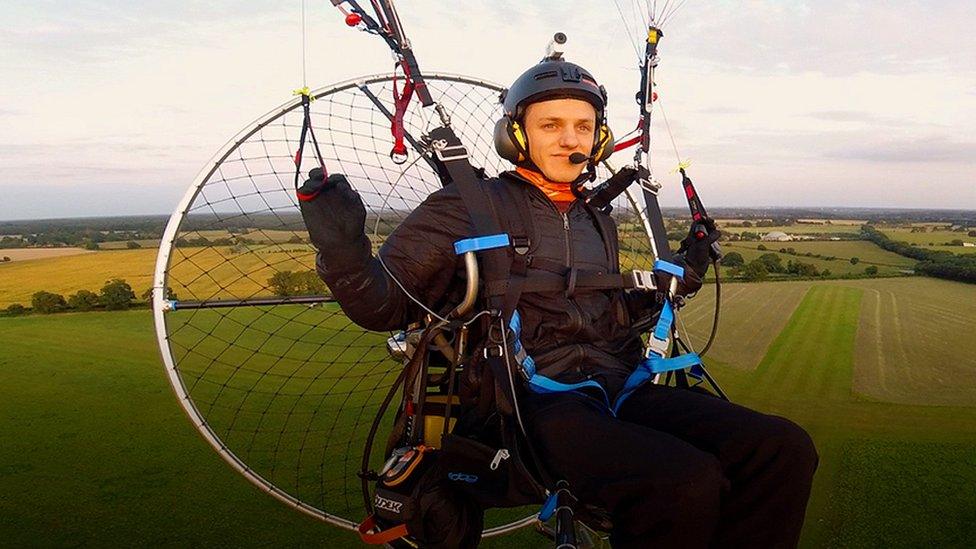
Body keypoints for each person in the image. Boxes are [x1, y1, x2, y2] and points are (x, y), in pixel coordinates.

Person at [299, 58, 818, 548]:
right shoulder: (468, 206)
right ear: (517, 135)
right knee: (683, 479)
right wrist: (342, 250)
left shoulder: (598, 218)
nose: (570, 139)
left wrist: (688, 273)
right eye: (551, 125)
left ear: (600, 137)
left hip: (618, 384)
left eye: (583, 126)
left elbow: (610, 317)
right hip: (527, 403)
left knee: (783, 450)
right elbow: (383, 307)